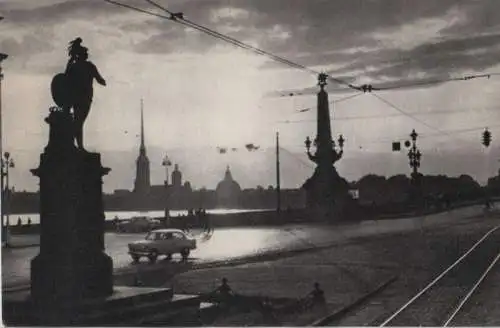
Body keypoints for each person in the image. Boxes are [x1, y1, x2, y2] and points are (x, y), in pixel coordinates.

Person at [65, 37, 106, 150]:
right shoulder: (89, 66)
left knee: (78, 121)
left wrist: (70, 61)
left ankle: (73, 144)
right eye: (86, 53)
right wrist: (103, 81)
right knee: (79, 121)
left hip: (76, 98)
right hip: (85, 98)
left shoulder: (74, 66)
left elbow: (65, 78)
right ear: (82, 55)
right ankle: (78, 146)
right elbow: (100, 80)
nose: (87, 54)